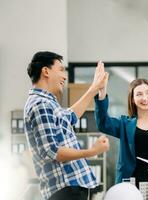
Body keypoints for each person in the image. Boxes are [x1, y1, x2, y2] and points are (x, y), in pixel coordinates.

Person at [24, 51, 110, 200]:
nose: (64, 76)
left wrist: (94, 87)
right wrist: (92, 151)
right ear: (46, 71)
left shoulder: (48, 103)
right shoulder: (40, 104)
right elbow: (52, 150)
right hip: (66, 190)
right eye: (61, 70)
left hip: (70, 189)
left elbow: (70, 116)